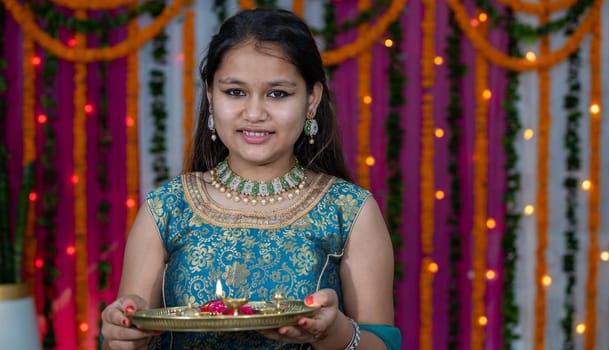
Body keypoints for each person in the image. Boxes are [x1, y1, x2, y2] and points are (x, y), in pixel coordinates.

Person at [101, 7, 401, 350]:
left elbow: (381, 344)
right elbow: (124, 333)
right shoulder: (167, 208)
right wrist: (120, 335)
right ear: (210, 96)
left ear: (312, 99)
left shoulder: (350, 211)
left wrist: (333, 333)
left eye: (278, 93)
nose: (255, 113)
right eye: (235, 92)